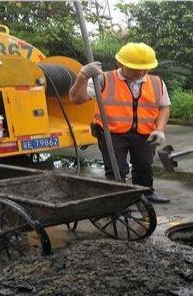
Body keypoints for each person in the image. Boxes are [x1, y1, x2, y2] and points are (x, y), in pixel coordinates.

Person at [69, 42, 171, 203]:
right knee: (117, 169)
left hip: (145, 132)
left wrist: (159, 129)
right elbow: (76, 99)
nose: (142, 72)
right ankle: (118, 200)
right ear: (120, 64)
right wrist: (82, 77)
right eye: (136, 69)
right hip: (112, 133)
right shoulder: (103, 79)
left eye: (146, 69)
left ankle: (145, 194)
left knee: (144, 166)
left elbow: (164, 107)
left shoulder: (156, 82)